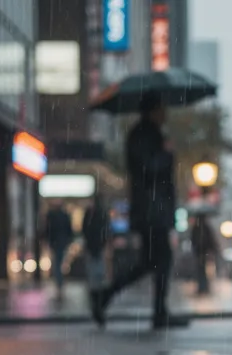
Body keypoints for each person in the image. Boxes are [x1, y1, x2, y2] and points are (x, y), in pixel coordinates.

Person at [91, 92, 178, 329]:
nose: (165, 115)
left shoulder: (150, 135)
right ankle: (158, 312)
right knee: (160, 260)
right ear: (152, 111)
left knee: (150, 262)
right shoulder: (142, 136)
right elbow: (148, 169)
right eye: (161, 109)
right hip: (151, 211)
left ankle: (106, 296)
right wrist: (167, 154)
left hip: (154, 210)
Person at [44, 201, 74, 296]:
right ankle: (59, 281)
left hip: (56, 242)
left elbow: (48, 229)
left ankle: (59, 281)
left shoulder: (52, 216)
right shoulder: (64, 216)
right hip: (61, 242)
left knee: (57, 262)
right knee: (58, 261)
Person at [81, 196, 111, 291]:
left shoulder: (90, 214)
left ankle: (95, 284)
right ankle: (98, 283)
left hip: (93, 243)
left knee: (94, 265)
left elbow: (85, 228)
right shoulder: (101, 214)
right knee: (98, 264)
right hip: (98, 243)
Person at [189, 211, 218, 295]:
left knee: (201, 270)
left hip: (201, 251)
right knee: (202, 270)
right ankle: (203, 287)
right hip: (203, 251)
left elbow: (194, 240)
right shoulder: (204, 228)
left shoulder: (198, 228)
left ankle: (203, 287)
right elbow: (210, 240)